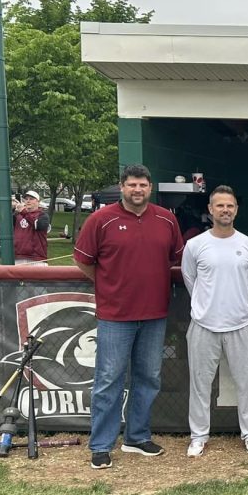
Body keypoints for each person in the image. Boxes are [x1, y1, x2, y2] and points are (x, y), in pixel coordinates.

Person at [74, 164, 183, 469]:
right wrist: (107, 282)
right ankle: (101, 444)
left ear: (151, 188)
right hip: (115, 314)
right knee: (109, 380)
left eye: (143, 185)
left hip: (154, 312)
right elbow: (84, 261)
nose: (138, 190)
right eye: (132, 184)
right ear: (122, 187)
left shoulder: (166, 219)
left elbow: (174, 256)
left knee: (148, 377)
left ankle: (136, 436)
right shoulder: (101, 219)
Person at [180, 186, 248, 457]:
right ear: (210, 209)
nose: (225, 210)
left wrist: (233, 303)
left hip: (240, 324)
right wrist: (208, 306)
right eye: (220, 206)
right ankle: (198, 436)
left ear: (236, 210)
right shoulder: (195, 245)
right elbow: (191, 280)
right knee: (200, 385)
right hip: (204, 325)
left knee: (247, 384)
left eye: (230, 205)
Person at [11, 190, 51, 265]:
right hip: (19, 257)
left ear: (38, 202)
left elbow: (37, 225)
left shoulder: (42, 215)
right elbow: (7, 225)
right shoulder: (18, 216)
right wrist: (13, 209)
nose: (28, 201)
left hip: (36, 258)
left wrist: (23, 211)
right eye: (26, 199)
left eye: (31, 199)